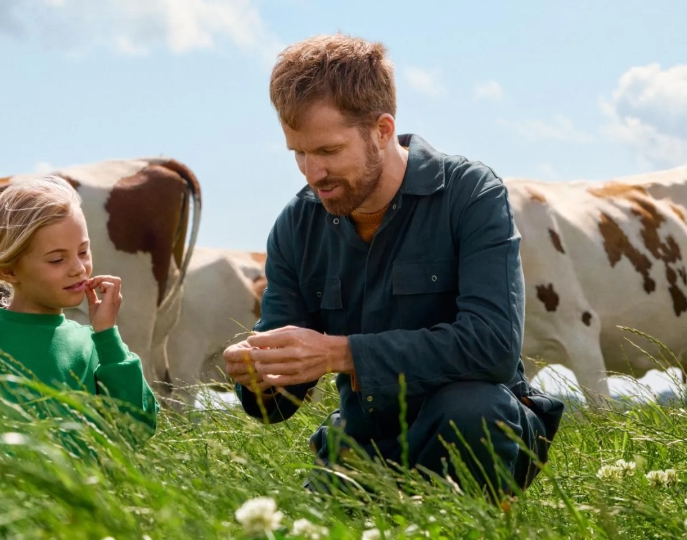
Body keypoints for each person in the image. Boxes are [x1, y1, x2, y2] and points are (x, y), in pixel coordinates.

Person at [223, 33, 564, 498]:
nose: (311, 173)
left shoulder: (471, 194)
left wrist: (341, 354)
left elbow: (494, 346)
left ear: (382, 130)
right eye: (298, 152)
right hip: (361, 443)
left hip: (473, 427)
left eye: (328, 151)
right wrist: (260, 373)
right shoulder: (295, 226)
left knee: (472, 408)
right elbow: (275, 409)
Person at [0, 176, 159, 444]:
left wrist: (107, 336)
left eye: (83, 252)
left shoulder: (94, 345)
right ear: (8, 271)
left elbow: (137, 431)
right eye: (57, 259)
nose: (79, 268)